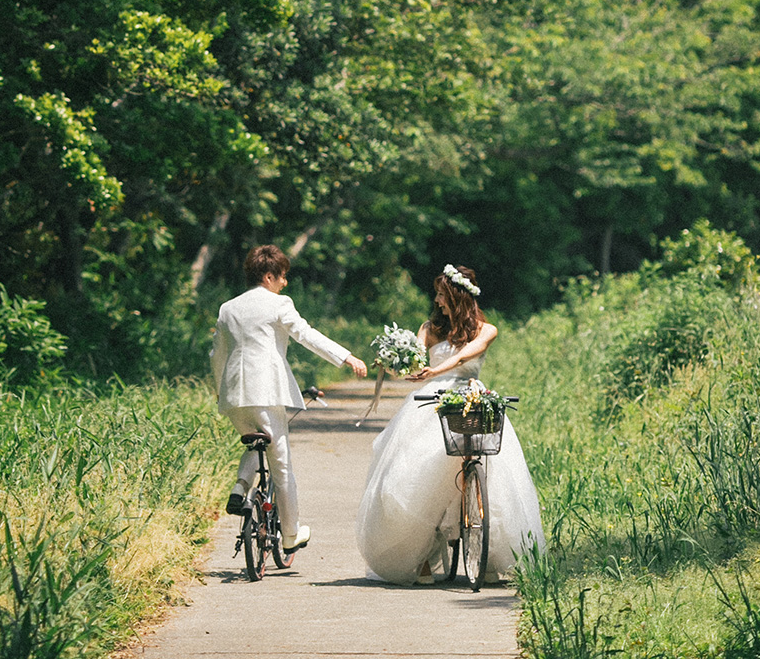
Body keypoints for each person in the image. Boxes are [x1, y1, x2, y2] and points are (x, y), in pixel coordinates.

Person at [355, 262, 544, 584]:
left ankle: (488, 554)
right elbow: (414, 360)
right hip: (432, 401)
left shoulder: (486, 329)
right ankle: (423, 557)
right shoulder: (430, 328)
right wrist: (397, 359)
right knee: (413, 474)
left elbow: (468, 354)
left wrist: (437, 371)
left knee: (494, 475)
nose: (438, 301)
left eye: (443, 295)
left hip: (470, 396)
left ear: (458, 297)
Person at [212, 243, 370, 564]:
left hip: (232, 395)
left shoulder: (228, 308)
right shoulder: (278, 303)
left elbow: (217, 355)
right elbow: (306, 334)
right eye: (282, 276)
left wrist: (220, 391)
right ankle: (290, 534)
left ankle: (240, 489)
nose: (285, 283)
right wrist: (346, 356)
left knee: (256, 443)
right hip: (266, 391)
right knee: (281, 464)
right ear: (269, 276)